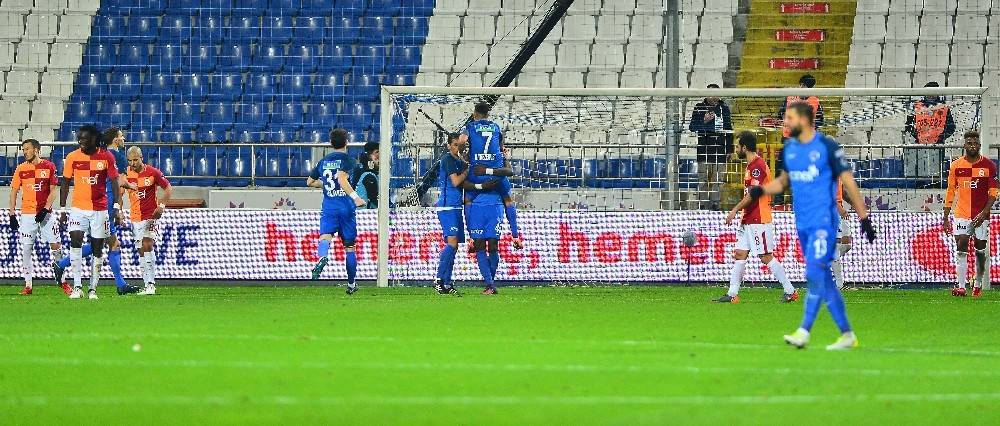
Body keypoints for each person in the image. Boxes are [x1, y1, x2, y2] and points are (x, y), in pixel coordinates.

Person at [748, 102, 877, 350]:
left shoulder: (827, 147)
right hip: (803, 222)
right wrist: (761, 190)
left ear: (805, 120)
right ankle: (847, 334)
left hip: (823, 222)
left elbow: (849, 183)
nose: (785, 123)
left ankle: (804, 331)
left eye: (789, 118)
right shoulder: (790, 150)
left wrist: (864, 218)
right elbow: (783, 182)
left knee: (815, 274)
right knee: (823, 279)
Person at [54, 127, 141, 295]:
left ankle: (118, 284)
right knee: (110, 243)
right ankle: (64, 265)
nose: (123, 139)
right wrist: (129, 190)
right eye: (121, 136)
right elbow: (120, 182)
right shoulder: (117, 157)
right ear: (115, 139)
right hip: (103, 206)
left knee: (105, 243)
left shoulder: (103, 154)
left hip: (102, 204)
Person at [720, 132, 797, 303]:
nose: (736, 149)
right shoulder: (750, 166)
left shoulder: (757, 167)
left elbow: (752, 196)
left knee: (765, 256)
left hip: (759, 218)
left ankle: (790, 291)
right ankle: (732, 295)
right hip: (748, 218)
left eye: (737, 146)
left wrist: (734, 210)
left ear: (744, 148)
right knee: (740, 254)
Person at [432, 133, 498, 295]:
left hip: (456, 207)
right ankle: (439, 279)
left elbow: (470, 172)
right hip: (447, 207)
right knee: (452, 243)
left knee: (454, 247)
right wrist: (468, 170)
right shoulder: (447, 159)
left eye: (458, 145)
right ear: (448, 145)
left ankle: (447, 283)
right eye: (454, 144)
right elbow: (455, 181)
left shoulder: (458, 161)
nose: (456, 147)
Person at [307, 128, 367, 294]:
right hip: (346, 207)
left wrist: (326, 184)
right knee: (349, 247)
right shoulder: (349, 160)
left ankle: (322, 257)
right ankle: (351, 284)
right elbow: (341, 179)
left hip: (329, 207)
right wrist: (355, 197)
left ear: (331, 143)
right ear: (347, 142)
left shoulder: (323, 161)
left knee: (325, 237)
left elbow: (309, 182)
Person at [463, 102, 514, 294]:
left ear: (475, 113)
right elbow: (502, 150)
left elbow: (461, 141)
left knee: (479, 244)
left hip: (476, 170)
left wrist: (463, 153)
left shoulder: (470, 126)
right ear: (488, 113)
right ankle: (490, 284)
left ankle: (489, 284)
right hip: (496, 171)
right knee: (493, 245)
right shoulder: (496, 127)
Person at [8, 139, 69, 295]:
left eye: (27, 149)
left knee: (56, 246)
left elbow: (53, 190)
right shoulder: (20, 169)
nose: (24, 152)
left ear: (36, 150)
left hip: (45, 214)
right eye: (23, 149)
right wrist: (12, 214)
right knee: (26, 249)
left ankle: (62, 282)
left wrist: (46, 209)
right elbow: (14, 191)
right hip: (27, 215)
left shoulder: (49, 166)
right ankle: (28, 285)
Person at [943, 130, 996, 298]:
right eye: (969, 143)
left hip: (981, 215)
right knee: (961, 246)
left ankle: (978, 284)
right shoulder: (956, 166)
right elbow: (950, 191)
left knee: (980, 249)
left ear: (979, 146)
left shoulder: (989, 165)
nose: (972, 145)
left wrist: (984, 213)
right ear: (965, 145)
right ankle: (960, 286)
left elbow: (994, 192)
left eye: (975, 143)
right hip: (962, 213)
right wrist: (946, 217)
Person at [125, 146, 172, 296]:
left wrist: (162, 206)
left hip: (151, 215)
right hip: (135, 216)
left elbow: (168, 187)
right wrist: (117, 208)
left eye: (135, 160)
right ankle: (147, 283)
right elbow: (119, 192)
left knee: (147, 243)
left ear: (141, 158)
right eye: (130, 160)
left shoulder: (153, 172)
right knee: (141, 250)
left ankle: (151, 284)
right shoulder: (125, 173)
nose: (132, 163)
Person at [688, 83, 733, 210]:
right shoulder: (699, 108)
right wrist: (704, 120)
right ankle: (702, 204)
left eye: (716, 94)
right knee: (702, 178)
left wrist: (730, 149)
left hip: (720, 149)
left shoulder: (724, 109)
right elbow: (692, 127)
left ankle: (715, 204)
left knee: (718, 179)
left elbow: (729, 130)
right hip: (704, 149)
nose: (714, 97)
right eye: (711, 94)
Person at [778, 74, 825, 139]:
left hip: (806, 137)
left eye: (811, 88)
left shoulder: (815, 101)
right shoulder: (789, 98)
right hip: (789, 137)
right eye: (808, 87)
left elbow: (820, 120)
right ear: (801, 85)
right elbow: (781, 115)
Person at [830, 181, 853, 289]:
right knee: (835, 246)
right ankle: (839, 284)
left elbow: (842, 191)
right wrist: (841, 211)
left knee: (847, 244)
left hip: (838, 210)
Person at [352, 141, 379, 209]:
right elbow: (373, 199)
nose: (379, 156)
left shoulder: (360, 170)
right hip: (364, 212)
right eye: (377, 152)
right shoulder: (368, 175)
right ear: (369, 157)